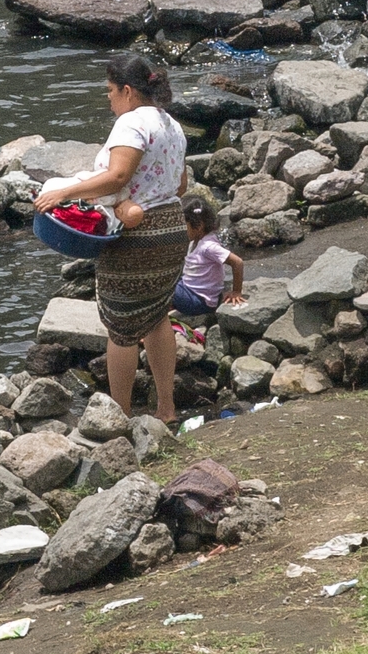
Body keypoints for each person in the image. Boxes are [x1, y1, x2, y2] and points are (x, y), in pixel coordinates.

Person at [33, 46, 192, 428]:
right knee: (156, 318)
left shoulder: (132, 123)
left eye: (109, 91)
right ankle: (165, 409)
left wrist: (63, 193)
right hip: (172, 229)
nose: (107, 99)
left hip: (139, 235)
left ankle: (119, 416)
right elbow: (181, 184)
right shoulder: (171, 124)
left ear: (127, 90)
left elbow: (118, 176)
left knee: (121, 328)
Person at [172, 186, 245, 366]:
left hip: (199, 300)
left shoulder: (208, 247)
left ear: (198, 226)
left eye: (184, 227)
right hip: (190, 290)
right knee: (169, 278)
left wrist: (236, 291)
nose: (181, 231)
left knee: (162, 286)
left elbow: (238, 262)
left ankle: (152, 324)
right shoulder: (196, 240)